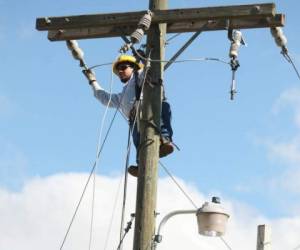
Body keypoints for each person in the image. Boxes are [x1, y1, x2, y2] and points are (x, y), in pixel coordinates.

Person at [83, 54, 174, 177]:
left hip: (151, 112)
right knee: (138, 142)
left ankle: (164, 141)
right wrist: (92, 81)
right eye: (119, 69)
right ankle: (141, 163)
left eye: (124, 67)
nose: (120, 71)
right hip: (135, 121)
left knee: (160, 119)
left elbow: (150, 68)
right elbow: (105, 98)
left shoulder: (140, 76)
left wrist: (143, 57)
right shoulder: (123, 94)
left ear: (134, 68)